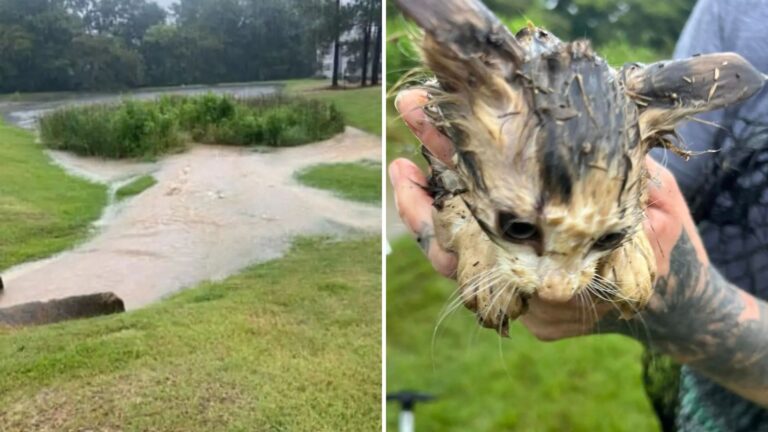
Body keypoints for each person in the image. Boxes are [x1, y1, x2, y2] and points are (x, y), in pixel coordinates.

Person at [389, 2, 768, 422]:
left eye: (605, 237)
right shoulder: (734, 9)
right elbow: (645, 180)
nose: (560, 290)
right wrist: (468, 227)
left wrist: (689, 308)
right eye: (519, 227)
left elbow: (628, 190)